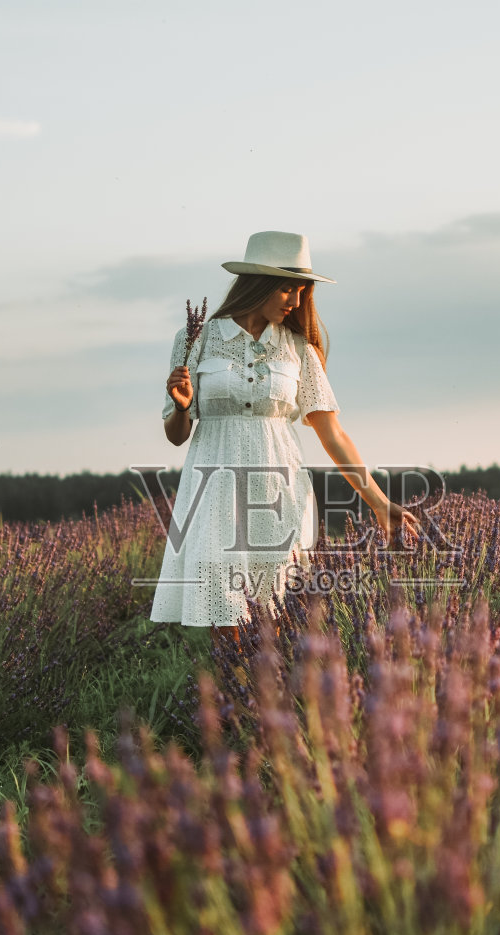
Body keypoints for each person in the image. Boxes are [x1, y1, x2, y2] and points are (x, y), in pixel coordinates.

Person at [149, 230, 420, 646]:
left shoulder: (298, 349)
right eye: (286, 289)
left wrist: (381, 505)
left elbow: (334, 435)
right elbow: (176, 435)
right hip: (215, 494)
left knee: (274, 623)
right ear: (256, 284)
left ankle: (268, 707)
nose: (295, 301)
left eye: (301, 291)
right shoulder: (195, 340)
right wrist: (183, 405)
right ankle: (238, 707)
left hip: (280, 493)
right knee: (229, 628)